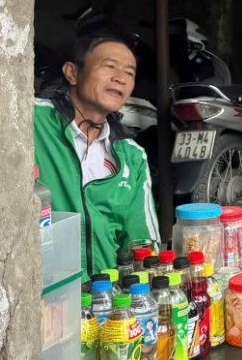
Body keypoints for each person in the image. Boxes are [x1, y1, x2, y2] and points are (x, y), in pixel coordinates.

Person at [34, 26, 159, 278]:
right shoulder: (33, 119)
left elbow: (142, 243)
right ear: (72, 73)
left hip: (103, 300)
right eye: (109, 66)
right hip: (38, 291)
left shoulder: (131, 157)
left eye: (129, 73)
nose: (120, 78)